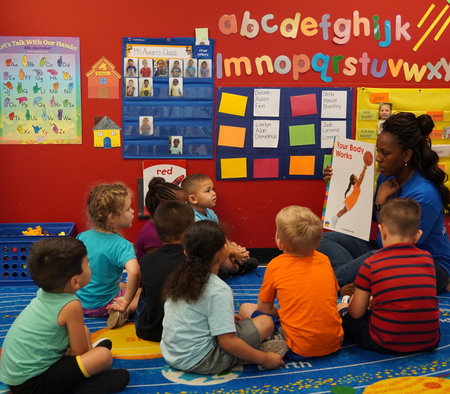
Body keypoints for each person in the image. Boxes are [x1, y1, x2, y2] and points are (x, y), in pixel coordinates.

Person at [319, 112, 450, 292]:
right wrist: (337, 182)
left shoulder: (424, 195)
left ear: (406, 155)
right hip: (385, 251)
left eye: (385, 153)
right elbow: (369, 219)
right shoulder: (387, 178)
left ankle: (328, 284)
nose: (378, 158)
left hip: (426, 265)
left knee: (375, 256)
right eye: (378, 150)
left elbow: (398, 247)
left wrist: (381, 202)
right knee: (322, 238)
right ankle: (361, 280)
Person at [0, 237, 130, 393]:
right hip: (32, 385)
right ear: (75, 281)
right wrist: (87, 356)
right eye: (87, 263)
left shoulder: (45, 293)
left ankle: (83, 368)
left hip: (18, 375)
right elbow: (79, 352)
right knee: (103, 356)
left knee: (85, 332)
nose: (90, 266)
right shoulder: (71, 305)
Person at [160, 220, 284, 374]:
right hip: (205, 360)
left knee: (243, 320)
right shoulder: (218, 290)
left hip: (172, 354)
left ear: (186, 252)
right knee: (266, 322)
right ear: (224, 251)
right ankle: (249, 354)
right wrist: (265, 359)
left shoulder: (180, 276)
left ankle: (246, 351)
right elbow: (227, 342)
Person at [338, 198, 440, 353]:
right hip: (429, 340)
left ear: (382, 231)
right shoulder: (428, 260)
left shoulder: (371, 263)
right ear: (418, 235)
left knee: (345, 313)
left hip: (386, 341)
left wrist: (346, 307)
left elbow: (357, 313)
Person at [243, 206, 343, 360]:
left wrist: (283, 313)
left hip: (298, 347)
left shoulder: (275, 265)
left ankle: (274, 342)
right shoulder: (324, 259)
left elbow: (264, 308)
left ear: (280, 242)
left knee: (245, 308)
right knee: (342, 305)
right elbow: (332, 296)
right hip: (334, 343)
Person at [76, 183, 141, 329]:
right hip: (106, 304)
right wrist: (126, 301)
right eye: (127, 209)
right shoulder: (122, 245)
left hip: (80, 302)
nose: (132, 211)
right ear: (112, 217)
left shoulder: (82, 237)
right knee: (142, 293)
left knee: (122, 284)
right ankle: (122, 312)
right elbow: (135, 272)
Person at [135, 200, 194, 341]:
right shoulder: (194, 261)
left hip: (149, 330)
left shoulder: (145, 261)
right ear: (188, 231)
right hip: (184, 331)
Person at [181, 173, 258, 277]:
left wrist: (235, 249)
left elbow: (221, 236)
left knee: (231, 245)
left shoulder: (210, 213)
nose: (213, 193)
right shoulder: (192, 218)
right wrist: (231, 252)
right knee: (224, 255)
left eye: (213, 189)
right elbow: (206, 246)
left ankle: (226, 267)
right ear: (193, 199)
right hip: (202, 252)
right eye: (208, 191)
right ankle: (237, 269)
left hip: (214, 247)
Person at [135, 177, 187, 260]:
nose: (186, 208)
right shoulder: (153, 234)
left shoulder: (167, 227)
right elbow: (159, 266)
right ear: (166, 208)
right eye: (182, 204)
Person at [330, 163, 368, 229]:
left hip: (351, 200)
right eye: (355, 176)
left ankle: (335, 218)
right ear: (354, 180)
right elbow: (361, 177)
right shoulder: (357, 184)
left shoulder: (356, 185)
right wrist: (364, 169)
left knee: (344, 210)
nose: (357, 176)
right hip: (351, 200)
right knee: (344, 210)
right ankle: (334, 219)